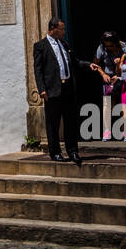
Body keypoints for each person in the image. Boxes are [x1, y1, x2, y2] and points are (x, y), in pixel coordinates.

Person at [32, 17, 101, 165]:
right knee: (53, 123)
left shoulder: (64, 44)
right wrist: (42, 89)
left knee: (70, 121)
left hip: (68, 88)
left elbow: (74, 62)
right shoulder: (40, 46)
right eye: (61, 29)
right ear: (52, 29)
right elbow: (38, 70)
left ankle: (73, 151)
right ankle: (55, 152)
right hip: (52, 90)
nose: (64, 31)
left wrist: (88, 65)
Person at [93, 31, 121, 141]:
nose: (109, 48)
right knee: (107, 104)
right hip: (108, 77)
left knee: (123, 104)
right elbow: (95, 63)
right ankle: (107, 130)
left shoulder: (124, 47)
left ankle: (124, 129)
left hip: (122, 77)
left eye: (111, 45)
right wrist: (103, 74)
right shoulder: (102, 48)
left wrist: (120, 63)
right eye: (106, 45)